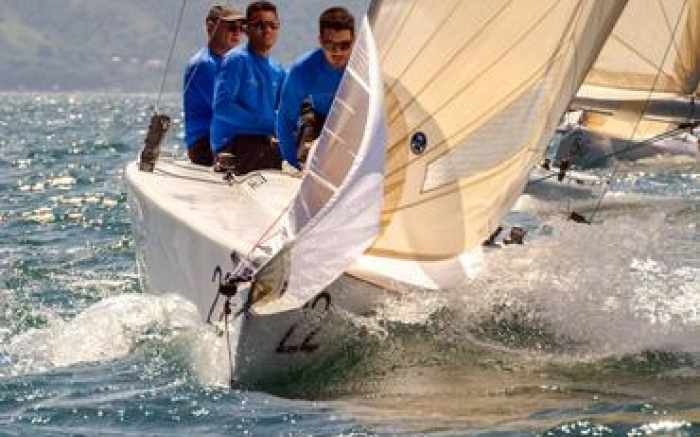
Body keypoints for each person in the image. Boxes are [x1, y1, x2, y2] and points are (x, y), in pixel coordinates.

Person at [210, 1, 286, 175]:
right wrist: (266, 123)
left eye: (272, 25)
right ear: (247, 30)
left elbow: (287, 109)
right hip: (233, 144)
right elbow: (222, 107)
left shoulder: (278, 70)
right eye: (260, 25)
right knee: (269, 157)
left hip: (263, 141)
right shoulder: (236, 60)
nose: (267, 30)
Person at [276, 6, 355, 170]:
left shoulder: (365, 67)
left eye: (344, 45)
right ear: (320, 41)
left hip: (353, 122)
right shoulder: (303, 69)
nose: (337, 52)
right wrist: (292, 163)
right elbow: (286, 120)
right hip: (319, 119)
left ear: (354, 40)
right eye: (330, 44)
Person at [183, 4, 246, 166]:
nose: (237, 33)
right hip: (206, 145)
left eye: (242, 28)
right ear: (210, 26)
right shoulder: (204, 64)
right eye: (232, 27)